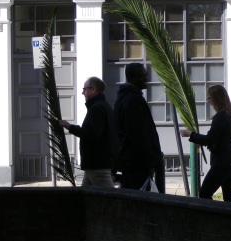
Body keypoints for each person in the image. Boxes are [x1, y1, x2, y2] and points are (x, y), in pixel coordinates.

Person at [180, 85, 231, 202]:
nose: (208, 101)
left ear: (216, 99)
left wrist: (191, 134)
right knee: (229, 197)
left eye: (209, 98)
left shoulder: (220, 117)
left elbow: (210, 139)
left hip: (222, 162)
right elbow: (226, 139)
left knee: (204, 193)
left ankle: (211, 219)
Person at [114, 63, 165, 192]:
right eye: (142, 76)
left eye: (146, 75)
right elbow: (138, 135)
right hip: (137, 164)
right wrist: (149, 162)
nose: (146, 78)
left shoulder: (127, 98)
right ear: (132, 78)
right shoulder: (132, 100)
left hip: (132, 162)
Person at [59, 77, 116, 187]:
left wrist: (70, 127)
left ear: (93, 89)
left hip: (97, 165)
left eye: (85, 89)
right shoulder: (103, 106)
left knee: (110, 199)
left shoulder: (97, 108)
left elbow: (91, 135)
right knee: (85, 199)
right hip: (95, 165)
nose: (82, 93)